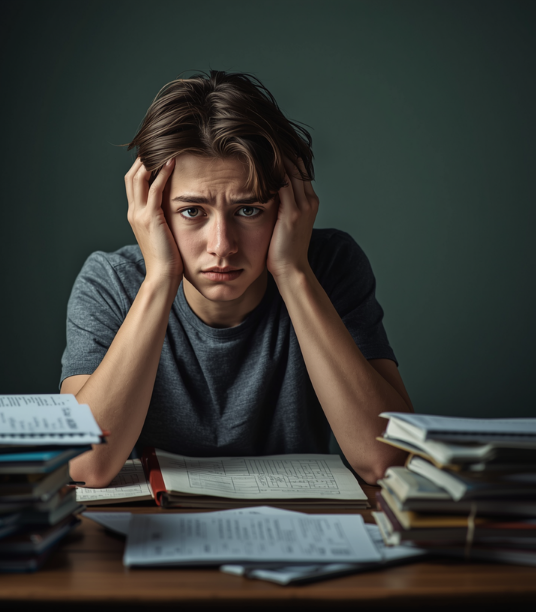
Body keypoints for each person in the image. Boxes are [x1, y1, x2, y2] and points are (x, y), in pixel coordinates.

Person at [60, 70, 413, 487]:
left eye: (248, 210)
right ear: (152, 213)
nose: (222, 245)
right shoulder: (111, 281)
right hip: (154, 532)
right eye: (192, 211)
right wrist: (159, 280)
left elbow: (386, 460)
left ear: (285, 208)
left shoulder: (330, 266)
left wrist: (294, 273)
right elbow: (86, 466)